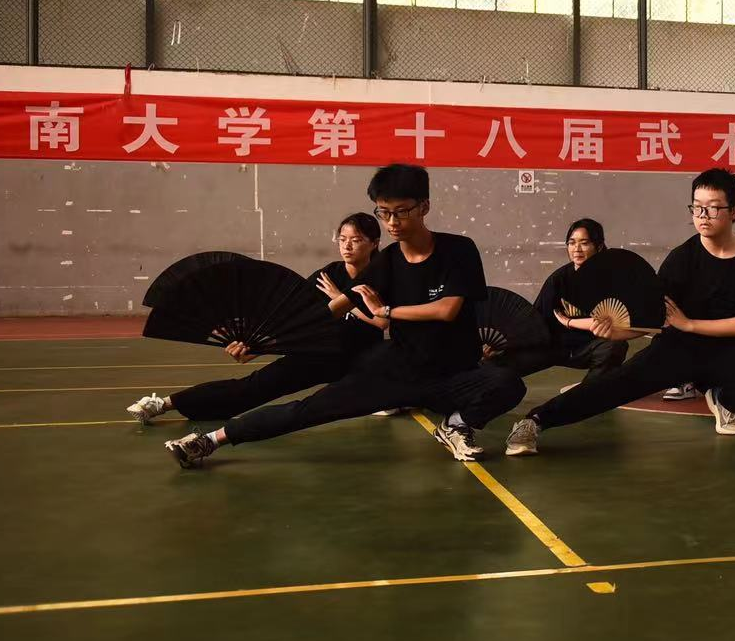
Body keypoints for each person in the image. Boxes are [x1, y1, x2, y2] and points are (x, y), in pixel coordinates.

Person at [161, 165, 526, 466]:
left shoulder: (458, 250)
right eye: (384, 212)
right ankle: (208, 441)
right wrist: (266, 344)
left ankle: (456, 425)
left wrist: (387, 310)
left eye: (401, 211)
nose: (392, 222)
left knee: (508, 384)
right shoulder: (387, 262)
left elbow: (447, 310)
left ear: (424, 206)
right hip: (396, 372)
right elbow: (333, 310)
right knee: (308, 410)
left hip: (455, 374)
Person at [505, 168, 735, 453]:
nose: (702, 216)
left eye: (712, 208)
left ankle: (721, 400)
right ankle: (535, 421)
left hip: (728, 348)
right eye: (697, 207)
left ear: (734, 212)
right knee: (614, 385)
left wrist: (689, 323)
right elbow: (652, 317)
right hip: (678, 348)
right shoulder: (681, 259)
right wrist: (617, 332)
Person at [129, 213, 387, 425]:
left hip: (362, 358)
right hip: (322, 353)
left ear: (374, 243)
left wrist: (340, 297)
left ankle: (385, 395)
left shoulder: (383, 274)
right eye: (342, 239)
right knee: (251, 388)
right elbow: (295, 317)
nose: (347, 246)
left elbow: (383, 322)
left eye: (356, 240)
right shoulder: (328, 274)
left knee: (377, 393)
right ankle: (164, 403)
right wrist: (253, 349)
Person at [533, 218, 628, 387]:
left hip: (589, 347)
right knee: (504, 360)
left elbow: (614, 322)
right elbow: (534, 318)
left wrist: (569, 322)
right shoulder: (558, 279)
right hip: (556, 346)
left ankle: (587, 393)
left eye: (584, 243)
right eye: (571, 243)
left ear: (599, 246)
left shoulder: (612, 278)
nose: (576, 249)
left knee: (615, 346)